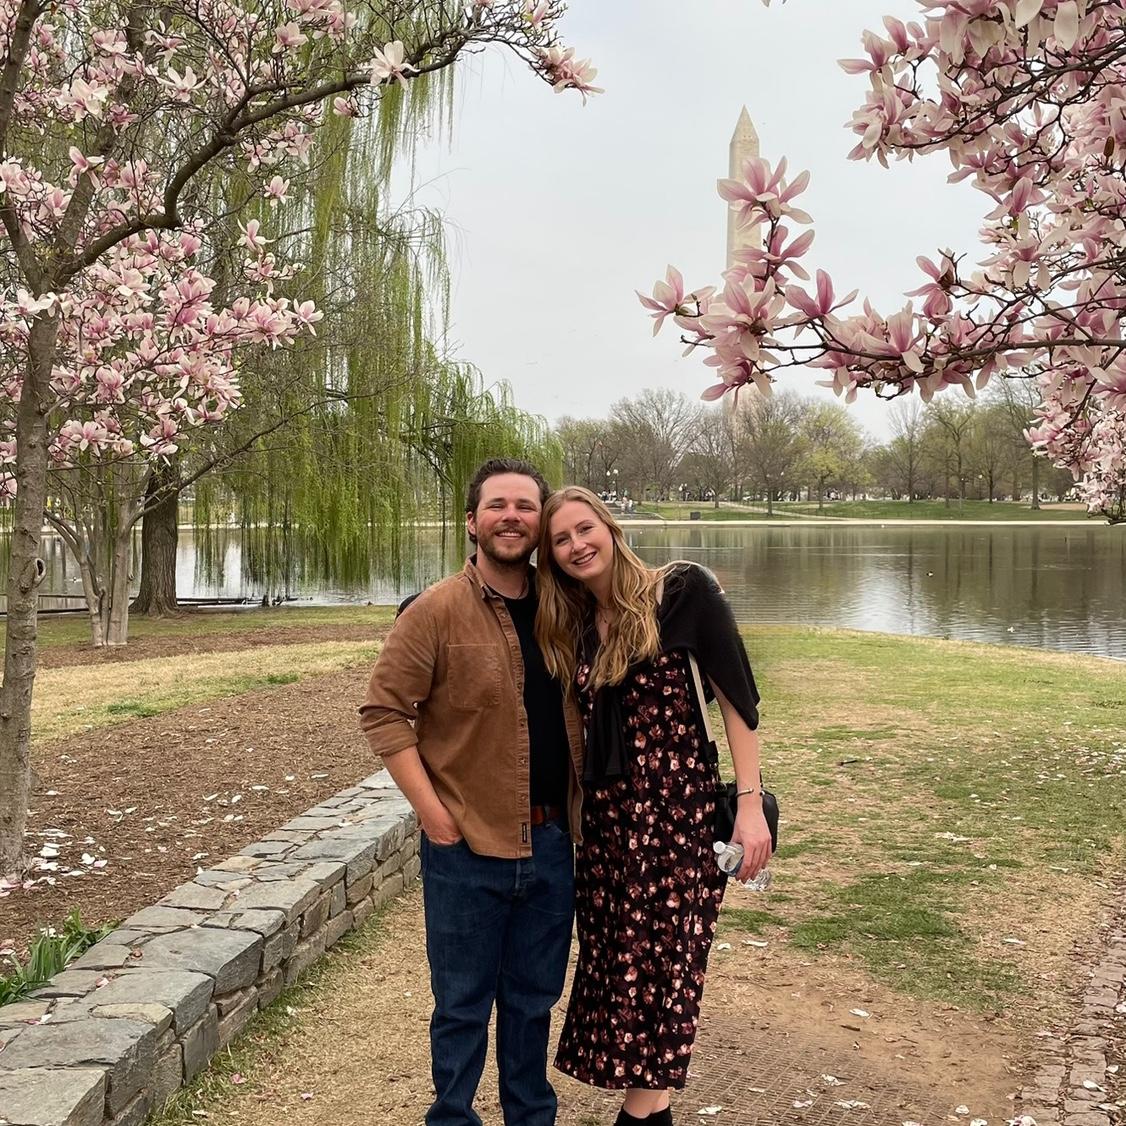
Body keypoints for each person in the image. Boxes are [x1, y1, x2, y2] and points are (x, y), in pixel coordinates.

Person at [535, 486, 772, 1126]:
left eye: (586, 529)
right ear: (552, 557)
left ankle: (640, 1118)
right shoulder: (576, 626)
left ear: (610, 530)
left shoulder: (681, 591)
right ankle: (648, 1113)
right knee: (621, 970)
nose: (578, 545)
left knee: (670, 969)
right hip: (609, 831)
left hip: (678, 821)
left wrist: (749, 806)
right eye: (561, 539)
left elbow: (737, 701)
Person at [359, 458, 585, 1126]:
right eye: (497, 505)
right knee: (461, 1005)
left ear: (540, 522)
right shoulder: (434, 612)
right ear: (472, 522)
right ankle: (452, 1117)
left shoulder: (565, 609)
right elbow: (382, 711)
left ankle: (529, 1117)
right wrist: (433, 815)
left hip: (550, 844)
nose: (512, 516)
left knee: (532, 1003)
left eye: (525, 505)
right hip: (466, 848)